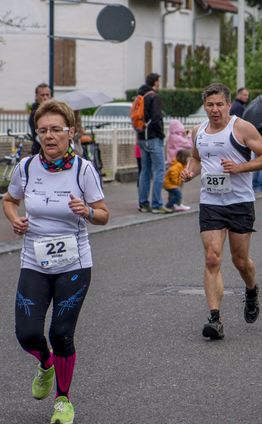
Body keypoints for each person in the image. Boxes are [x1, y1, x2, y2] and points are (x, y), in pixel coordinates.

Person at [3, 99, 109, 424]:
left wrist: (86, 211)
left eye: (55, 130)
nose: (49, 136)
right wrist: (15, 219)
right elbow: (9, 200)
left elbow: (103, 214)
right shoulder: (25, 168)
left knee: (61, 332)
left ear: (70, 132)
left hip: (74, 264)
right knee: (27, 334)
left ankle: (63, 400)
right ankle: (46, 364)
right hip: (34, 261)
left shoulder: (83, 170)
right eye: (43, 131)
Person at [181, 82, 262, 340]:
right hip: (211, 202)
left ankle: (251, 289)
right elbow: (197, 158)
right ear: (204, 106)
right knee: (212, 258)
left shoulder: (241, 128)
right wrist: (190, 172)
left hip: (239, 202)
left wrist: (239, 167)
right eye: (210, 105)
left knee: (240, 260)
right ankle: (215, 318)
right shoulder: (198, 131)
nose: (215, 109)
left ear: (228, 105)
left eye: (219, 104)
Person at [136, 73, 171, 214]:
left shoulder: (140, 96)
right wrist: (160, 134)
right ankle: (157, 204)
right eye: (158, 81)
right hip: (153, 138)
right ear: (155, 82)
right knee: (159, 170)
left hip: (141, 138)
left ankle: (143, 203)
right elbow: (156, 118)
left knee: (145, 171)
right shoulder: (154, 97)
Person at [28, 83, 52, 155]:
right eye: (42, 95)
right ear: (36, 97)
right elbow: (37, 136)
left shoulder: (53, 112)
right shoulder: (35, 113)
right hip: (39, 151)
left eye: (47, 95)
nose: (45, 97)